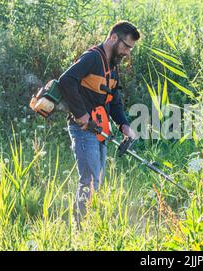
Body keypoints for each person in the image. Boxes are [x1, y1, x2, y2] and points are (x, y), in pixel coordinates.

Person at [58, 20, 140, 224]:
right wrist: (82, 116)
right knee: (90, 182)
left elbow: (114, 100)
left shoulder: (112, 66)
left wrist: (124, 126)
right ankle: (81, 231)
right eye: (126, 46)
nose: (128, 53)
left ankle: (88, 226)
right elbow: (66, 81)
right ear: (114, 38)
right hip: (83, 130)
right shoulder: (93, 57)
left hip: (100, 130)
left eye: (130, 49)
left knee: (97, 181)